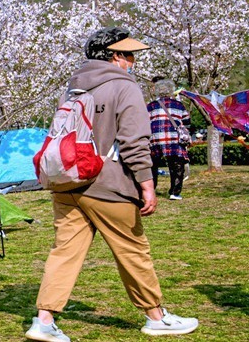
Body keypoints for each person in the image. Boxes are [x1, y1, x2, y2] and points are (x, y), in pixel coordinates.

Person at [26, 28, 199, 341]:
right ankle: (156, 317)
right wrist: (147, 185)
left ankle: (44, 320)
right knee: (133, 250)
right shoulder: (124, 87)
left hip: (68, 182)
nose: (133, 60)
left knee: (65, 253)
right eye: (129, 54)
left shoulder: (73, 87)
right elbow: (134, 141)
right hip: (109, 184)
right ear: (116, 56)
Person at [147, 77, 192, 201]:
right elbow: (187, 122)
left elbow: (144, 121)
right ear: (171, 90)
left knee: (152, 166)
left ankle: (151, 189)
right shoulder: (178, 105)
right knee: (177, 166)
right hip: (173, 140)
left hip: (155, 140)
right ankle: (174, 192)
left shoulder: (150, 106)